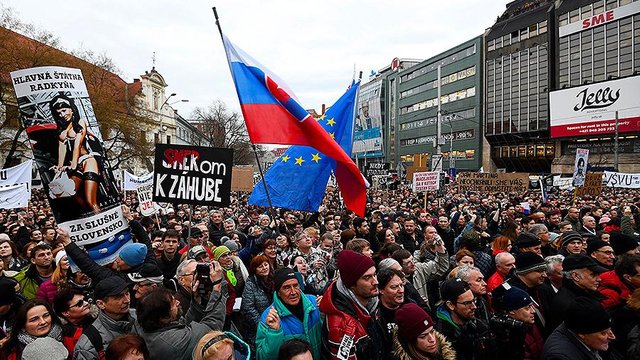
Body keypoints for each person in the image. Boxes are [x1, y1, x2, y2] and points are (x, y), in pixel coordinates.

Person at [136, 262, 227, 360]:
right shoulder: (174, 343)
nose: (178, 302)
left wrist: (196, 301)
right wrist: (217, 287)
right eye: (174, 304)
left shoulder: (152, 325)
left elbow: (185, 326)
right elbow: (211, 327)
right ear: (163, 317)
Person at [319, 250, 385, 359]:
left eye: (374, 275)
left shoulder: (371, 303)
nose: (375, 282)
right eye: (367, 278)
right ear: (352, 285)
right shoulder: (342, 327)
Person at [49, 94, 102, 214]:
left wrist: (73, 165)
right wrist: (59, 166)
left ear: (71, 109)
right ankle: (87, 215)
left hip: (87, 161)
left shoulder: (80, 122)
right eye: (59, 113)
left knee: (90, 200)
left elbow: (77, 144)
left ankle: (98, 217)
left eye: (64, 110)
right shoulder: (62, 129)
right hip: (74, 163)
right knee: (70, 194)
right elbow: (61, 149)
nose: (62, 114)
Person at [255, 268, 322, 360]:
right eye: (286, 288)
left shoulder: (314, 303)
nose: (293, 292)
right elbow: (262, 357)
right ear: (278, 292)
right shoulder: (269, 317)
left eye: (295, 285)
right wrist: (274, 333)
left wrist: (326, 313)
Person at [73, 277, 138, 360]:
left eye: (127, 293)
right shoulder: (87, 346)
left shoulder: (139, 317)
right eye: (118, 297)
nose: (127, 300)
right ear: (101, 304)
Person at [435, 278, 493, 360]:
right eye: (467, 303)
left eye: (474, 301)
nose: (474, 307)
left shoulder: (477, 324)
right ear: (450, 305)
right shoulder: (442, 337)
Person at [542, 297, 615, 359]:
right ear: (581, 334)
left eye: (609, 330)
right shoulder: (560, 356)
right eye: (603, 333)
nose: (612, 337)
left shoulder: (585, 337)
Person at [548, 255, 607, 332]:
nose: (599, 279)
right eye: (593, 275)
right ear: (575, 276)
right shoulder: (568, 304)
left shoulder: (586, 293)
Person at [490, 286, 543, 359]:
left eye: (532, 306)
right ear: (511, 311)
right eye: (527, 308)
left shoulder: (530, 324)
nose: (533, 311)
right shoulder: (508, 338)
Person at [241, 255, 274, 345]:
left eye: (265, 265)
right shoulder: (251, 284)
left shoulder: (274, 279)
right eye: (260, 266)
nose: (264, 268)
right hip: (258, 327)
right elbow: (248, 308)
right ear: (254, 269)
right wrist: (262, 325)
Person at [52, 288, 95, 355]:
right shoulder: (65, 336)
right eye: (80, 303)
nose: (86, 303)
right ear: (66, 312)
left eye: (85, 299)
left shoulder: (98, 318)